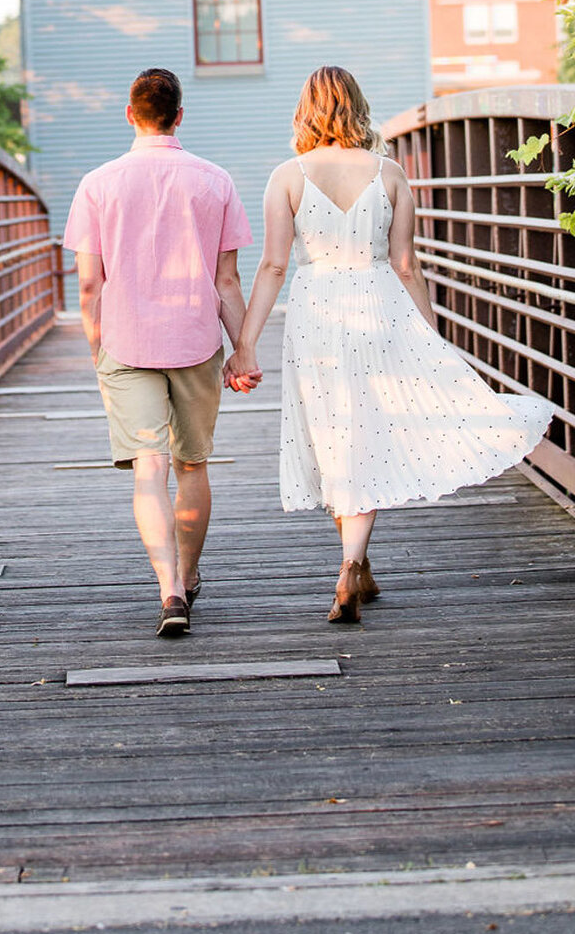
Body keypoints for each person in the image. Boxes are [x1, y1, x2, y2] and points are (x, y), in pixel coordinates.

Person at [224, 65, 555, 624]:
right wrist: (432, 339)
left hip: (317, 314)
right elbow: (405, 263)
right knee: (367, 434)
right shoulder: (391, 173)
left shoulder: (286, 176)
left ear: (305, 110)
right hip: (379, 307)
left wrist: (246, 344)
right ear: (357, 105)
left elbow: (275, 264)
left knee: (335, 437)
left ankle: (351, 561)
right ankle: (358, 566)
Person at [64, 67, 257, 638]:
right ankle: (192, 576)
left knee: (147, 471)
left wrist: (100, 348)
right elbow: (227, 280)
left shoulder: (97, 184)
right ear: (179, 116)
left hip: (126, 343)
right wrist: (243, 350)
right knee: (192, 464)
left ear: (131, 114)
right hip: (196, 341)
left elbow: (90, 286)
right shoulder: (215, 180)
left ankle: (168, 589)